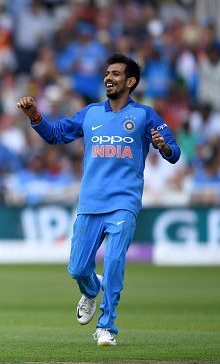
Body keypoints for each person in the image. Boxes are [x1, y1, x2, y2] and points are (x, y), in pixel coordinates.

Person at [17, 54, 180, 346]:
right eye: (107, 73)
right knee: (78, 269)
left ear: (130, 82)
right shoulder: (90, 113)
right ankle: (91, 290)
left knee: (115, 260)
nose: (109, 77)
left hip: (124, 202)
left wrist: (164, 147)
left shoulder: (145, 115)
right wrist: (34, 117)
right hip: (91, 202)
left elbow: (174, 152)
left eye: (116, 74)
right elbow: (55, 135)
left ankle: (106, 326)